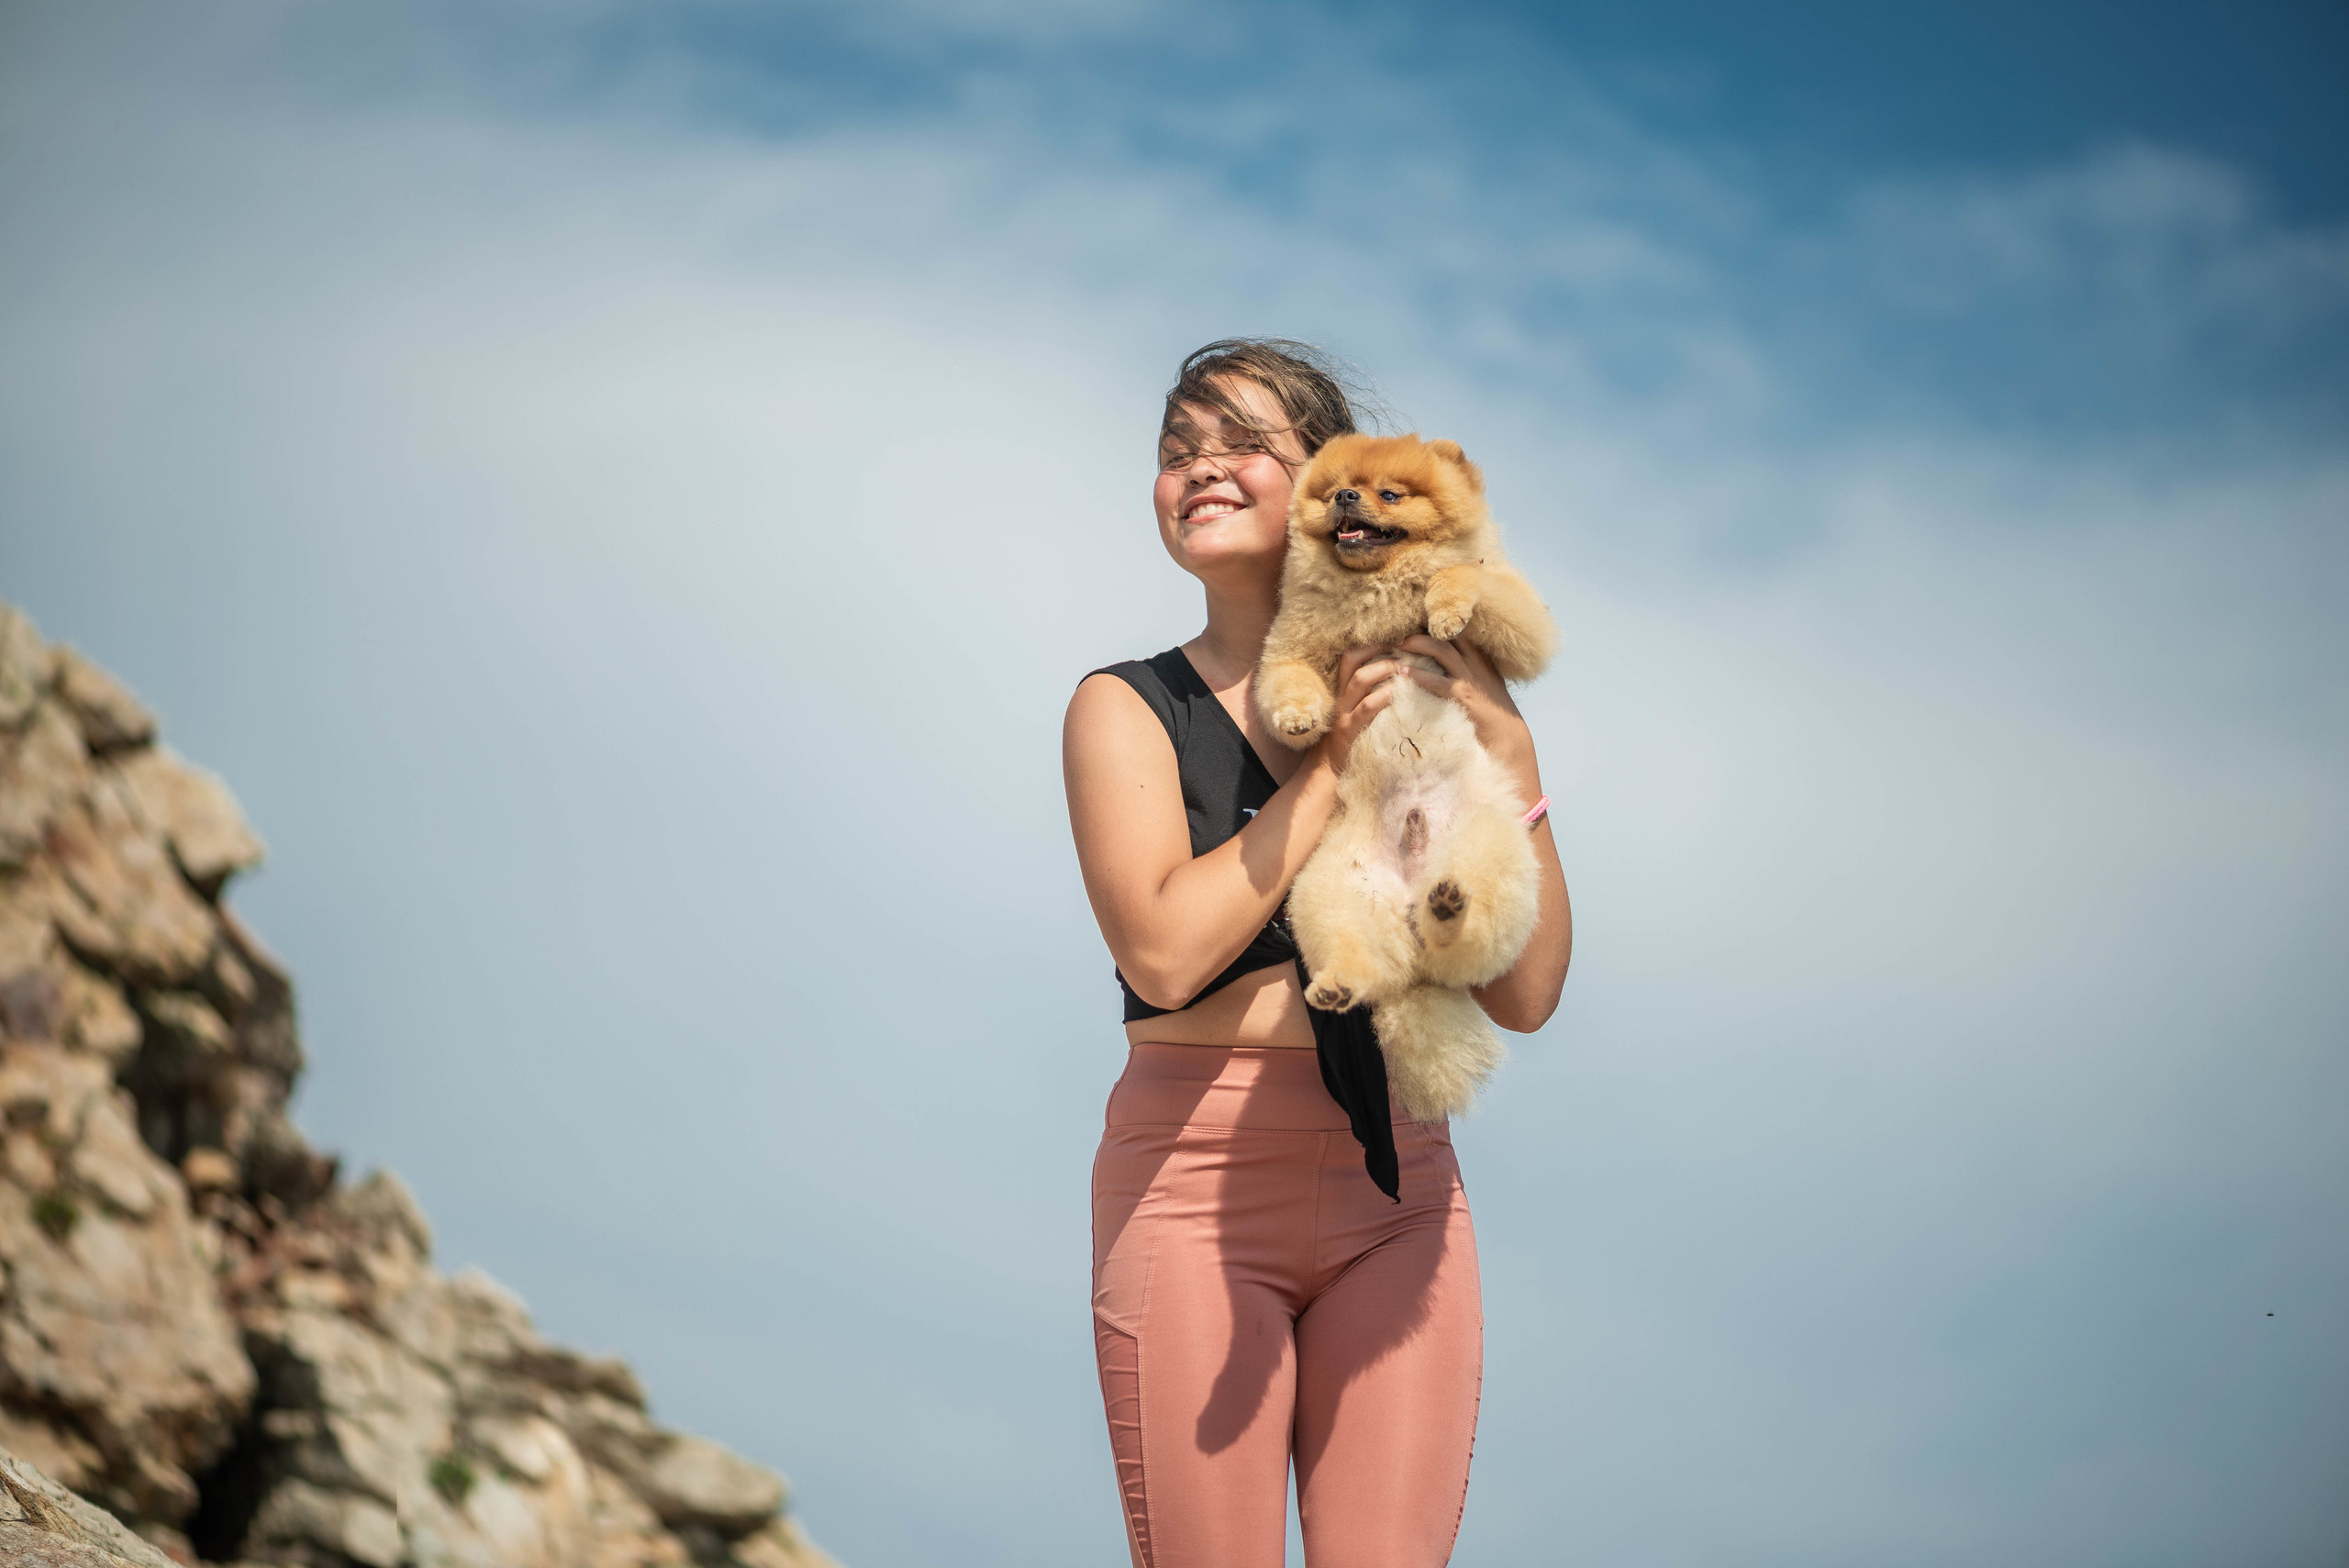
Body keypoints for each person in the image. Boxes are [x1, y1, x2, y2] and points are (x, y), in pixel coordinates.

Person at [1062, 339, 1573, 1568]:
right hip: (1192, 1186)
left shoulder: (1450, 687)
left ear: (1331, 480)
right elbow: (1166, 950)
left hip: (1399, 1186)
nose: (1202, 469)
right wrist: (1334, 763)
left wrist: (1516, 753)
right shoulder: (1126, 708)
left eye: (1241, 443)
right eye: (1177, 452)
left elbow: (1530, 989)